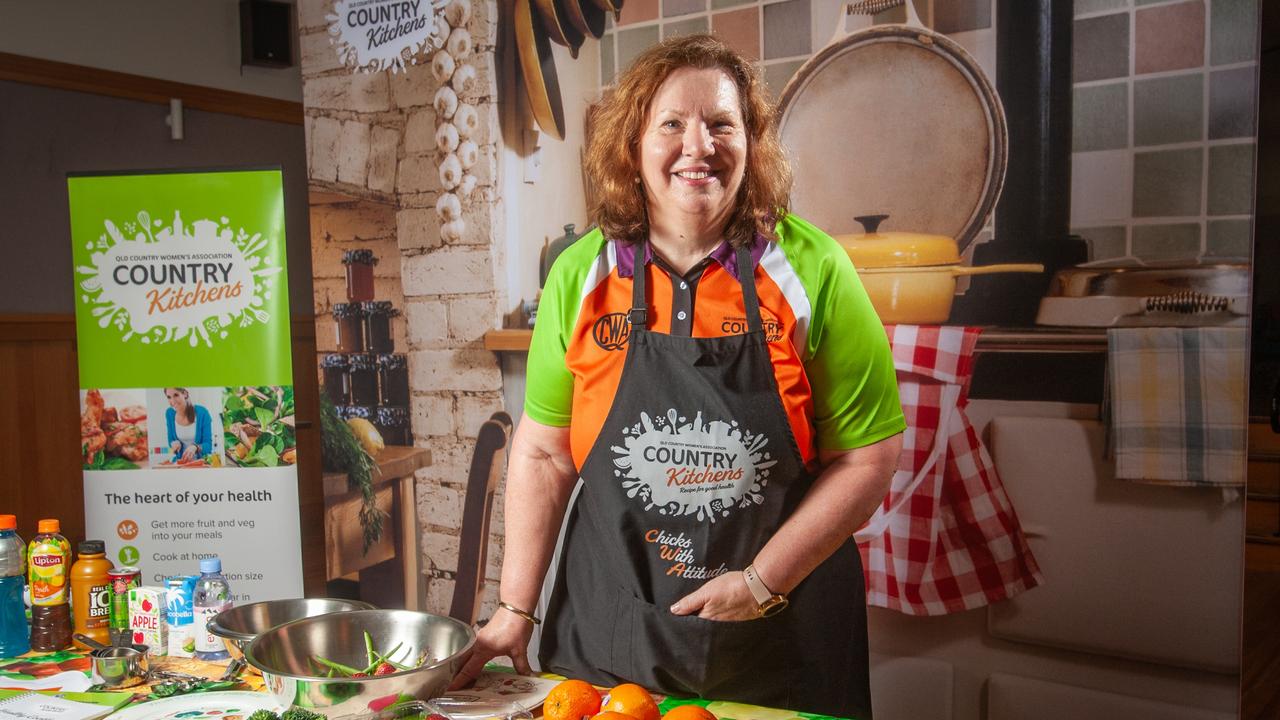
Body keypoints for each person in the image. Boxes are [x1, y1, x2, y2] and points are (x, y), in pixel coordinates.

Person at [453, 34, 905, 718]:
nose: (699, 146)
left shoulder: (813, 271)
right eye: (672, 125)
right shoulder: (580, 277)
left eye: (722, 124)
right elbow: (545, 454)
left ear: (751, 144)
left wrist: (760, 582)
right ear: (633, 146)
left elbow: (868, 458)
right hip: (613, 631)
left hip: (781, 635)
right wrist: (515, 608)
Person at [164, 387, 212, 463]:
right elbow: (171, 441)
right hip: (181, 463)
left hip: (201, 463)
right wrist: (174, 444)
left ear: (185, 394)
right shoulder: (169, 413)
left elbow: (208, 446)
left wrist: (195, 447)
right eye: (169, 397)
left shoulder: (202, 413)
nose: (172, 401)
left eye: (176, 395)